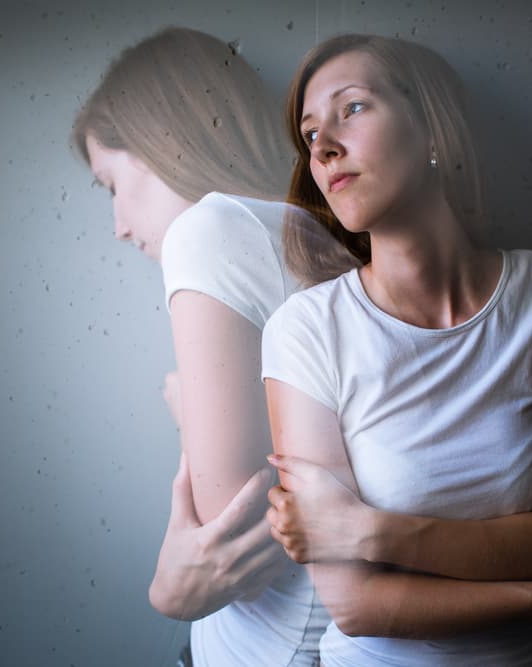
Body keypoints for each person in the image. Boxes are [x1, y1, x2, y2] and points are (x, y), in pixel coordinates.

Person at [261, 33, 532, 665]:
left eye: (352, 108)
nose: (322, 147)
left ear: (432, 129)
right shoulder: (306, 332)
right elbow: (356, 604)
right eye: (310, 133)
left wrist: (370, 530)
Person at [70, 27, 338, 666]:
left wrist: (190, 411)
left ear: (158, 140)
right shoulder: (312, 229)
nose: (118, 227)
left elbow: (231, 531)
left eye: (110, 184)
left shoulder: (208, 230)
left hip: (270, 645)